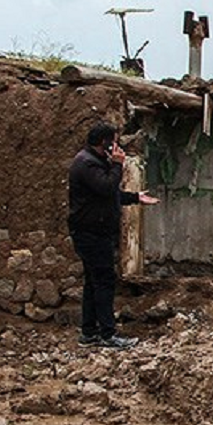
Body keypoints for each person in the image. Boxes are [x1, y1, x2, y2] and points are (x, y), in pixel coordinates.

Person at [68, 122, 159, 349]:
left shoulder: (93, 162)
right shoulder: (87, 164)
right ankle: (108, 335)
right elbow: (107, 187)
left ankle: (89, 333)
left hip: (94, 232)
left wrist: (135, 197)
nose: (117, 146)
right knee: (104, 283)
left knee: (93, 283)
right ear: (104, 143)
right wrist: (118, 165)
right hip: (91, 234)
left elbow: (109, 195)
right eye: (114, 141)